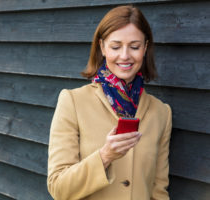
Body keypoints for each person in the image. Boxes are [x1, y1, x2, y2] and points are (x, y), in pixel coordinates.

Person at [47, 5, 172, 200]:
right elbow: (58, 188)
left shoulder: (161, 112)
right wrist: (105, 156)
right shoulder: (73, 102)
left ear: (145, 48)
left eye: (134, 46)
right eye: (115, 46)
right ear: (102, 47)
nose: (125, 55)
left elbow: (159, 191)